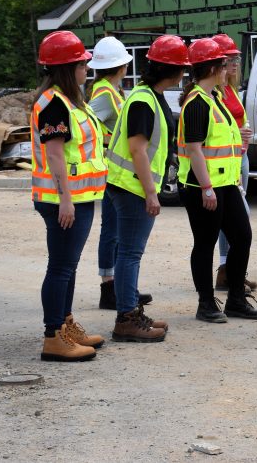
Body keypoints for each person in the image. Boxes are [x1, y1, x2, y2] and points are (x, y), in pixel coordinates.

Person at [105, 35, 190, 342]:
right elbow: (138, 150)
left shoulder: (148, 95)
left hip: (128, 186)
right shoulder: (144, 100)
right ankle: (126, 318)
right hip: (132, 188)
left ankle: (130, 312)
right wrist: (151, 193)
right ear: (175, 71)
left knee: (129, 253)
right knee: (130, 253)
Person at [31, 31, 107, 361]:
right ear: (67, 68)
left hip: (78, 196)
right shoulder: (54, 105)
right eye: (81, 64)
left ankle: (65, 324)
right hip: (62, 199)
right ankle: (53, 337)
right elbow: (56, 156)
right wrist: (65, 199)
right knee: (61, 267)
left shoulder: (71, 101)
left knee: (68, 266)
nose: (86, 69)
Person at [178, 38, 257, 323]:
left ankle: (236, 299)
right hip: (203, 187)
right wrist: (206, 188)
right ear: (213, 67)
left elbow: (221, 141)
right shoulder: (197, 103)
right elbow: (194, 149)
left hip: (225, 183)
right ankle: (205, 304)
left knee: (242, 236)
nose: (228, 69)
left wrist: (240, 140)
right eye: (224, 64)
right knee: (205, 243)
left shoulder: (216, 98)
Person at [87, 35, 153, 311]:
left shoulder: (111, 90)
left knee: (115, 230)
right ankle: (109, 287)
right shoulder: (104, 93)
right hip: (110, 170)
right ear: (122, 67)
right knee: (112, 230)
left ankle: (119, 287)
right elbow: (88, 125)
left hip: (113, 168)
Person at [210, 33, 257, 294]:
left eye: (237, 59)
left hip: (240, 156)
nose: (235, 63)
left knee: (235, 217)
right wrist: (238, 136)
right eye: (229, 59)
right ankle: (226, 269)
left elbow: (239, 120)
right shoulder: (213, 92)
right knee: (237, 218)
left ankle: (231, 270)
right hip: (226, 160)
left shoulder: (230, 89)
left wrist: (246, 132)